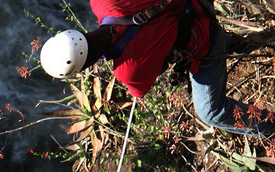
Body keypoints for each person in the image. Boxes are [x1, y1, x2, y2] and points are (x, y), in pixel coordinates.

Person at [40, 0, 275, 137]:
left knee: (210, 112)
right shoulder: (100, 2)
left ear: (85, 66)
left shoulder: (127, 72)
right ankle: (235, 41)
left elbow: (145, 84)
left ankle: (270, 127)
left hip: (206, 36)